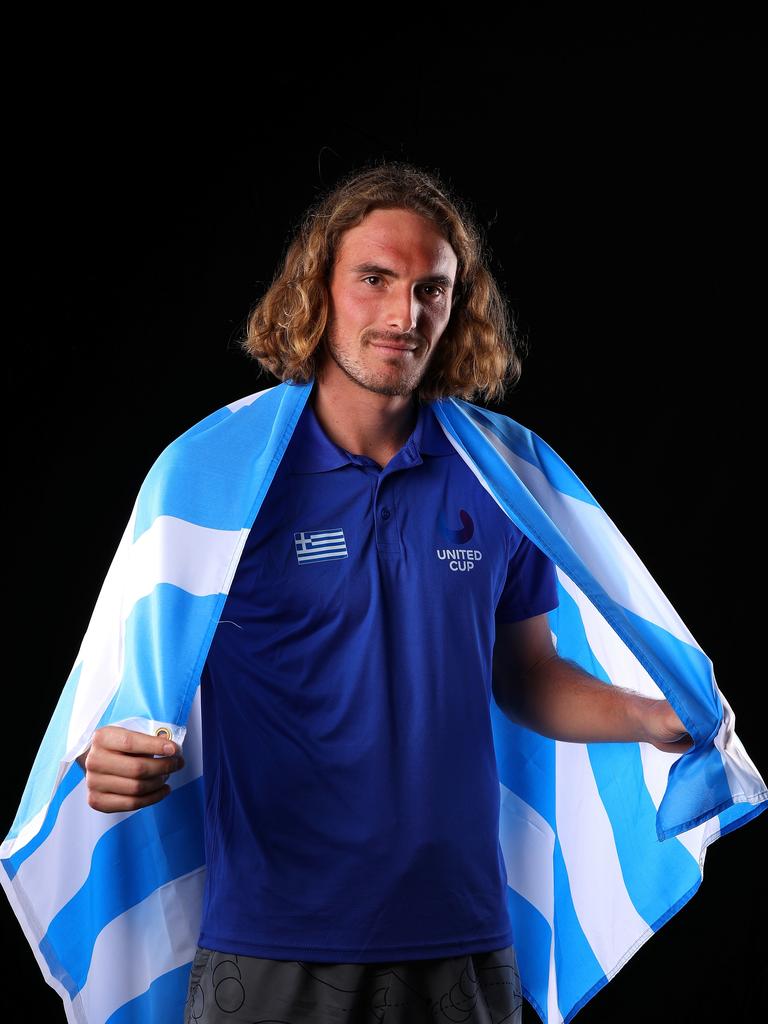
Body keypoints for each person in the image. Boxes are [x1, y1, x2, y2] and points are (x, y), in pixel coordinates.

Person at [75, 162, 693, 1023]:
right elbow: (131, 689)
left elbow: (522, 674)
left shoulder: (495, 476)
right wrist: (108, 761)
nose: (405, 315)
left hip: (462, 933)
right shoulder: (213, 479)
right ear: (318, 289)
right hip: (272, 938)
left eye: (431, 289)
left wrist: (651, 717)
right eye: (375, 280)